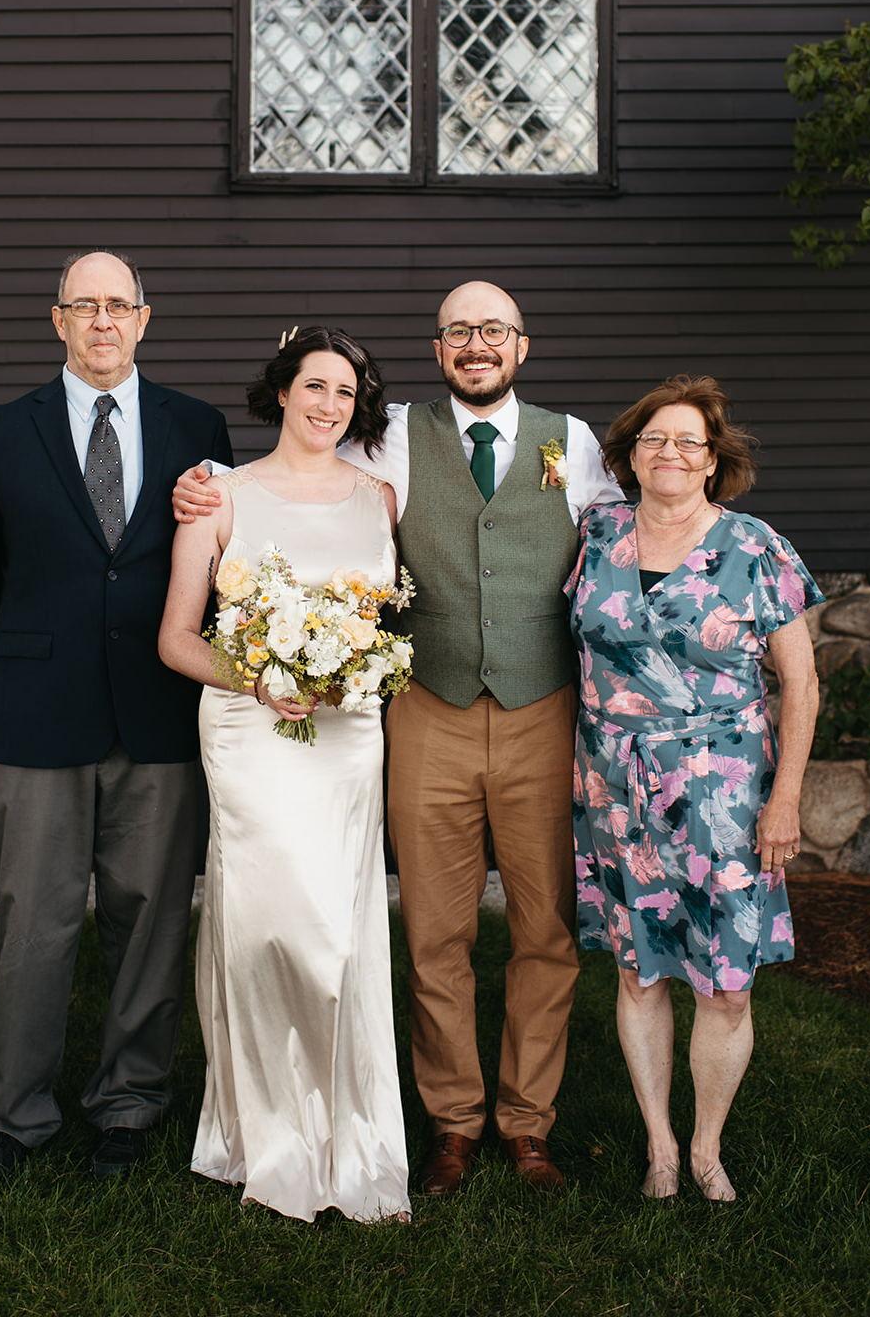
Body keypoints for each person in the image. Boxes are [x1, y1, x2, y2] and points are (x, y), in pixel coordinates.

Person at [173, 282, 623, 1194]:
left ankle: (528, 1125)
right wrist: (204, 482)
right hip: (428, 710)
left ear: (522, 346)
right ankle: (453, 1122)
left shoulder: (570, 442)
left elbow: (625, 531)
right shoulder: (388, 438)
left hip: (542, 710)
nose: (476, 345)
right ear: (438, 346)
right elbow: (300, 462)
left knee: (545, 930)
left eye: (493, 330)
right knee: (436, 932)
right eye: (459, 331)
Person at [0, 249, 233, 1181]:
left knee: (150, 916)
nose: (104, 321)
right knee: (34, 921)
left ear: (145, 320)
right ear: (58, 319)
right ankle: (13, 1115)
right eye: (86, 306)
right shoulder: (2, 431)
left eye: (120, 305)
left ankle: (129, 1102)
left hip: (157, 712)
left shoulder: (199, 428)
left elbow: (223, 568)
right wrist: (1, 701)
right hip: (38, 716)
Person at [157, 326, 410, 1223]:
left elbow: (386, 621)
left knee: (340, 935)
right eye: (315, 385)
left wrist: (355, 668)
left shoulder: (380, 497)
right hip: (249, 733)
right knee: (266, 928)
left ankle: (352, 1131)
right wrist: (257, 675)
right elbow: (177, 638)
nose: (329, 405)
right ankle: (260, 1131)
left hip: (347, 737)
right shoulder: (219, 495)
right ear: (282, 391)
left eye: (346, 392)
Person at [568, 375, 821, 1202]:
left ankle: (708, 1146)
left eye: (689, 442)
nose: (669, 453)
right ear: (629, 457)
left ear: (715, 460)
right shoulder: (596, 532)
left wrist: (785, 800)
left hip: (726, 798)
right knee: (639, 972)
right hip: (615, 790)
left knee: (726, 981)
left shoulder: (754, 547)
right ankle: (660, 1147)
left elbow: (801, 684)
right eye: (653, 440)